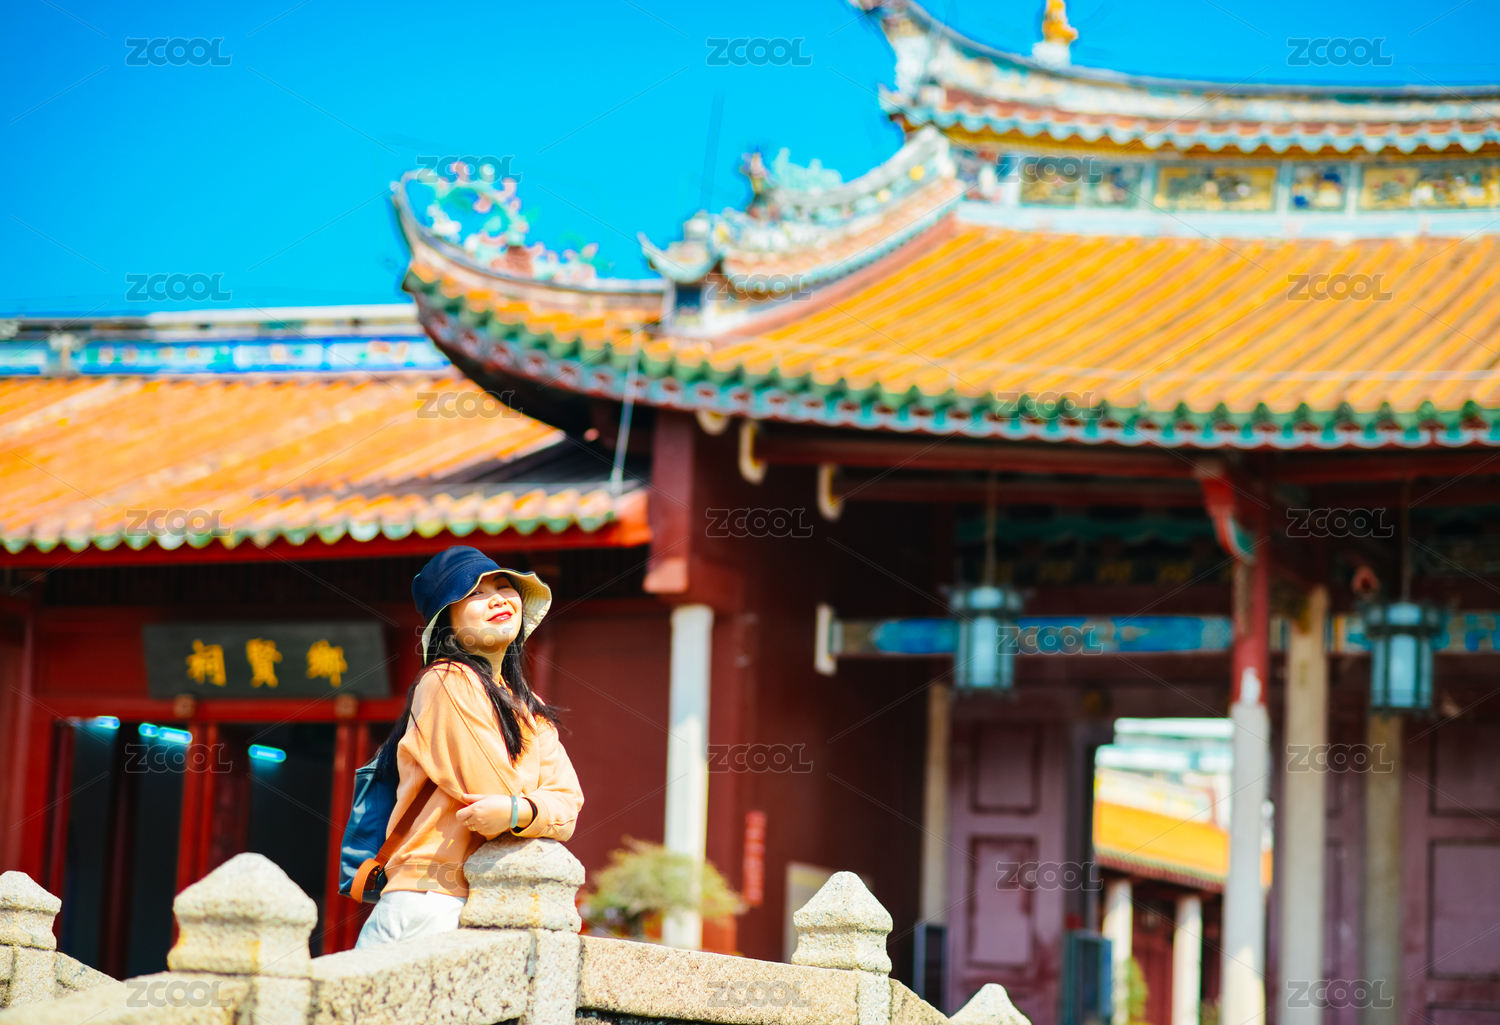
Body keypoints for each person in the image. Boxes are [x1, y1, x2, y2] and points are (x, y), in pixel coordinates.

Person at [356, 545, 583, 948]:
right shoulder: (446, 681)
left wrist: (516, 811)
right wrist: (529, 805)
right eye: (475, 593)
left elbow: (569, 804)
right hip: (430, 899)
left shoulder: (530, 707)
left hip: (487, 901)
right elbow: (494, 790)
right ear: (447, 623)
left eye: (504, 586)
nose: (497, 598)